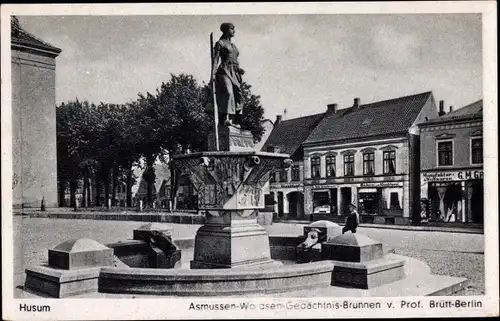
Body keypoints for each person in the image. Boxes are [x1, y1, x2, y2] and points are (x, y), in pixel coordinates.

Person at [211, 22, 245, 126]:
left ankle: (232, 120)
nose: (234, 31)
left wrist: (239, 69)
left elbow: (235, 60)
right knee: (229, 93)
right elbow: (215, 59)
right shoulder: (220, 43)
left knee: (237, 95)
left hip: (235, 72)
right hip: (224, 71)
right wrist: (212, 74)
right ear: (226, 30)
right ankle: (226, 118)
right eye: (232, 29)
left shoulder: (234, 46)